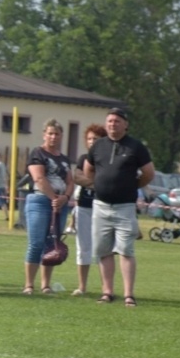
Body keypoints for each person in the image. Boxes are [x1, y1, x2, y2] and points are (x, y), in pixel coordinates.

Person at [84, 108, 155, 307]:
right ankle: (107, 292)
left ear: (125, 124)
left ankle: (128, 295)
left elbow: (149, 173)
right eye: (109, 121)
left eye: (116, 121)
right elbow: (88, 170)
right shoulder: (98, 145)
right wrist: (99, 184)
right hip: (101, 206)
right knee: (103, 251)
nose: (112, 124)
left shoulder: (136, 147)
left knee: (126, 250)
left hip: (125, 207)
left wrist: (132, 186)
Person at [23, 119, 73, 295]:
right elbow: (39, 178)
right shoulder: (38, 153)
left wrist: (65, 197)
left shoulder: (64, 159)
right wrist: (53, 198)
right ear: (44, 134)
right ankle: (29, 284)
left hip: (60, 204)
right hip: (40, 201)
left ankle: (46, 285)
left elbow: (70, 181)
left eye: (57, 134)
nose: (53, 137)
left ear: (61, 136)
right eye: (50, 133)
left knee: (52, 244)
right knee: (36, 243)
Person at [70, 124, 106, 296]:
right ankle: (82, 286)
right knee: (83, 247)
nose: (92, 142)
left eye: (96, 139)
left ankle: (106, 288)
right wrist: (100, 184)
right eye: (90, 138)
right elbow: (77, 177)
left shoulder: (107, 159)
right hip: (84, 207)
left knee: (102, 249)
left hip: (103, 208)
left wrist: (93, 181)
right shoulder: (83, 158)